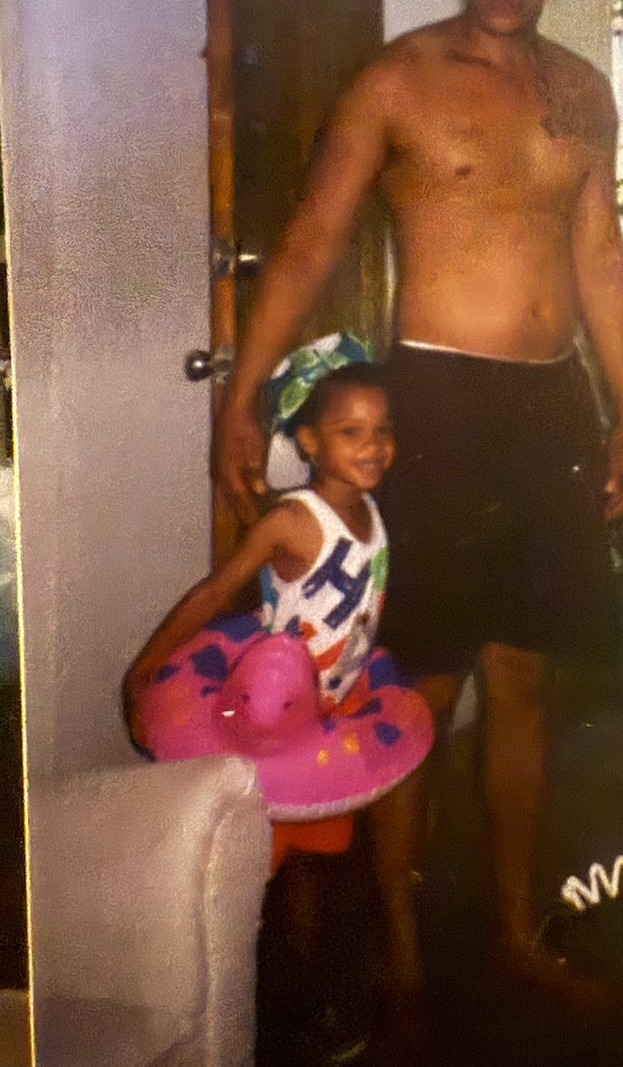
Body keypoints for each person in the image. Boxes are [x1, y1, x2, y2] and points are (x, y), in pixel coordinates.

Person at [213, 0, 623, 1021]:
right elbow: (310, 239)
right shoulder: (397, 79)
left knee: (525, 682)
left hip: (551, 408)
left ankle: (514, 931)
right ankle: (401, 948)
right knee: (416, 684)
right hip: (439, 406)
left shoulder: (582, 91)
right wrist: (242, 397)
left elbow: (599, 252)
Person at [126, 355, 422, 1060]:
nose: (374, 446)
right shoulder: (294, 520)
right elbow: (214, 591)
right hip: (269, 727)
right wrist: (144, 669)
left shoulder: (369, 510)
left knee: (313, 859)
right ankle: (227, 1001)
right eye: (351, 432)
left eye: (384, 430)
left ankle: (301, 996)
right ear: (310, 442)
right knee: (250, 868)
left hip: (326, 722)